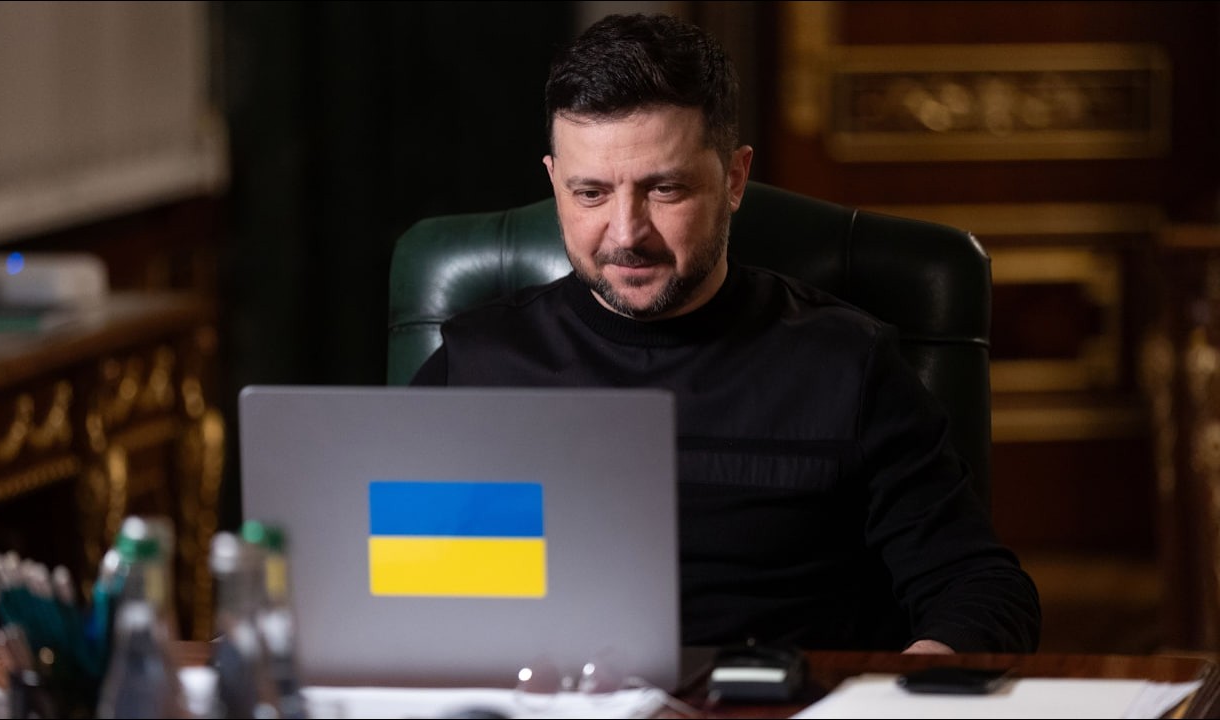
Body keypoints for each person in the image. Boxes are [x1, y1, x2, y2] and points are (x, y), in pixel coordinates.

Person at [411, 12, 1041, 655]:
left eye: (664, 189)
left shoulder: (845, 364)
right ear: (554, 182)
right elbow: (405, 594)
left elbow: (981, 589)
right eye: (590, 194)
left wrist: (904, 684)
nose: (626, 233)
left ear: (734, 179)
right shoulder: (477, 365)